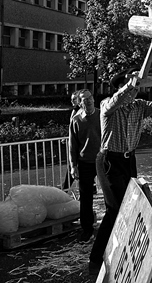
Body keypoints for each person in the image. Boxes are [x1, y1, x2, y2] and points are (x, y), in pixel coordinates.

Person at [88, 68, 152, 276]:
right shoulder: (108, 105)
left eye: (136, 88)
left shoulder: (139, 106)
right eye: (130, 87)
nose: (135, 92)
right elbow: (113, 103)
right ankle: (97, 261)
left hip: (128, 160)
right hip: (109, 161)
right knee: (115, 211)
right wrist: (130, 84)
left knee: (128, 208)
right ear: (120, 87)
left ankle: (118, 254)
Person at [68, 89, 101, 243]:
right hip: (85, 162)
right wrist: (73, 166)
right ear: (79, 103)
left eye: (89, 98)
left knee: (110, 194)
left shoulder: (102, 115)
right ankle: (86, 229)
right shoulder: (76, 120)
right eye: (84, 99)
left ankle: (112, 224)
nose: (87, 101)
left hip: (102, 160)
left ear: (93, 99)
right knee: (86, 198)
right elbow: (72, 145)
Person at [62, 90, 81, 191]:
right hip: (76, 143)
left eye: (74, 99)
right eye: (71, 99)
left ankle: (64, 189)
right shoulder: (76, 110)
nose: (72, 101)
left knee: (73, 166)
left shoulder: (77, 111)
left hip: (79, 145)